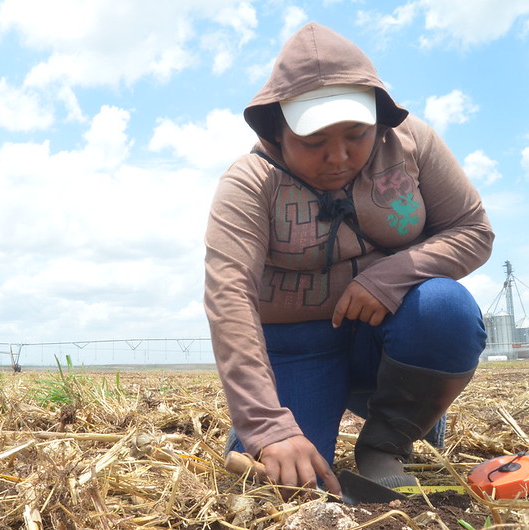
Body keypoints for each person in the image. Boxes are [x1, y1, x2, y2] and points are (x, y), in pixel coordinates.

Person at [204, 22, 494, 497]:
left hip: (383, 336)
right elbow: (228, 296)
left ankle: (390, 438)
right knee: (293, 485)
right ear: (278, 130)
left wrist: (390, 277)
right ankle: (278, 426)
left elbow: (475, 231)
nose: (338, 157)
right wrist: (267, 425)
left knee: (445, 309)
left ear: (378, 121)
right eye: (314, 142)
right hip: (296, 345)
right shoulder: (249, 181)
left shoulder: (411, 143)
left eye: (356, 135)